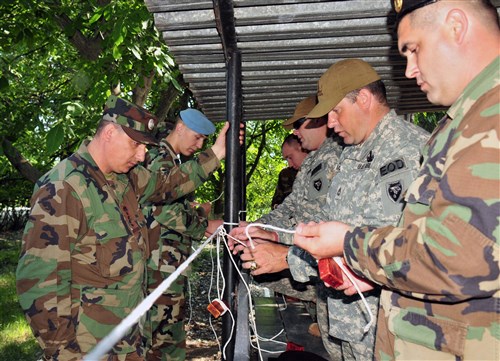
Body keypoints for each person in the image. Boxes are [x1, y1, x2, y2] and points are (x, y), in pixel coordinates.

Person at [294, 1, 500, 360]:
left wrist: (348, 243)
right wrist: (374, 274)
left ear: (456, 25)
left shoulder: (489, 118)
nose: (408, 71)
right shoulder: (470, 118)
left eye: (414, 49)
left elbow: (455, 257)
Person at [232, 59, 429, 360]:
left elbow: (380, 245)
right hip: (349, 320)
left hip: (385, 326)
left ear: (363, 99)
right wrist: (268, 234)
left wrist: (286, 258)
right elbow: (326, 225)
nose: (331, 123)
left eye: (336, 111)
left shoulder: (405, 152)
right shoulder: (353, 153)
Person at [15, 95, 228, 361]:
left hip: (127, 341)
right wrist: (64, 353)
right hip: (90, 346)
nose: (141, 156)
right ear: (109, 133)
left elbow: (168, 184)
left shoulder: (122, 178)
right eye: (135, 145)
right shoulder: (64, 188)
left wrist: (217, 153)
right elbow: (40, 282)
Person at [229, 94, 344, 357]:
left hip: (334, 268)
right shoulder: (312, 163)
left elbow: (327, 223)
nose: (294, 131)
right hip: (322, 274)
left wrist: (275, 243)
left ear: (319, 121)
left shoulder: (341, 156)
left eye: (299, 125)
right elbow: (289, 209)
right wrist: (256, 228)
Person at [142, 109, 228, 360]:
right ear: (179, 128)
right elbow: (164, 212)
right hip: (158, 268)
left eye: (204, 140)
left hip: (166, 265)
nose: (200, 144)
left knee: (169, 336)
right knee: (160, 340)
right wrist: (205, 222)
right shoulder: (159, 158)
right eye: (197, 137)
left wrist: (197, 211)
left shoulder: (169, 160)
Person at [271, 134, 309, 209]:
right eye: (287, 159)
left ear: (302, 148)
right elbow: (275, 203)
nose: (289, 164)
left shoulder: (323, 166)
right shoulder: (286, 174)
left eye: (290, 157)